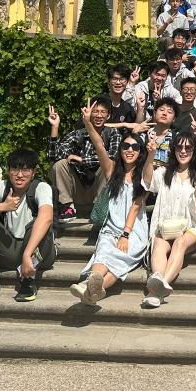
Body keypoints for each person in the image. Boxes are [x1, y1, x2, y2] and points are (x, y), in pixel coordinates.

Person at [69, 105, 149, 305]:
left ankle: (88, 288)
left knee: (119, 259)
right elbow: (98, 144)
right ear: (120, 150)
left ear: (141, 152)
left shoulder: (145, 176)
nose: (130, 150)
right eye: (126, 146)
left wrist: (126, 234)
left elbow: (137, 205)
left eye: (135, 147)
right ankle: (92, 289)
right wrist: (88, 123)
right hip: (111, 228)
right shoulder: (112, 170)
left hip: (134, 231)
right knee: (104, 250)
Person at [0, 148, 56, 302]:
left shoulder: (41, 188)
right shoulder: (1, 187)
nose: (20, 175)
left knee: (39, 223)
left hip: (40, 252)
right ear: (8, 171)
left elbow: (46, 217)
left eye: (25, 170)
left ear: (33, 173)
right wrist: (3, 206)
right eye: (15, 169)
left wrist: (27, 254)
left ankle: (28, 279)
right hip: (10, 249)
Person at [141, 130, 196, 308]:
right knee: (159, 244)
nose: (183, 151)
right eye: (179, 147)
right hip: (166, 226)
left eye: (188, 147)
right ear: (173, 149)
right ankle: (159, 291)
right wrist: (151, 155)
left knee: (180, 243)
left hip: (190, 227)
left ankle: (158, 287)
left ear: (194, 151)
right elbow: (147, 182)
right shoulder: (163, 172)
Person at [48, 97, 121, 224]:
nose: (99, 115)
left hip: (100, 189)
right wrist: (55, 127)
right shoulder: (78, 134)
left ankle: (101, 208)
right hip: (79, 188)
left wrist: (82, 160)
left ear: (108, 116)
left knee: (109, 166)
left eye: (103, 112)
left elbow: (113, 158)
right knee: (60, 165)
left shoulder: (113, 134)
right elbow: (53, 157)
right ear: (88, 114)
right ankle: (67, 207)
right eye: (95, 111)